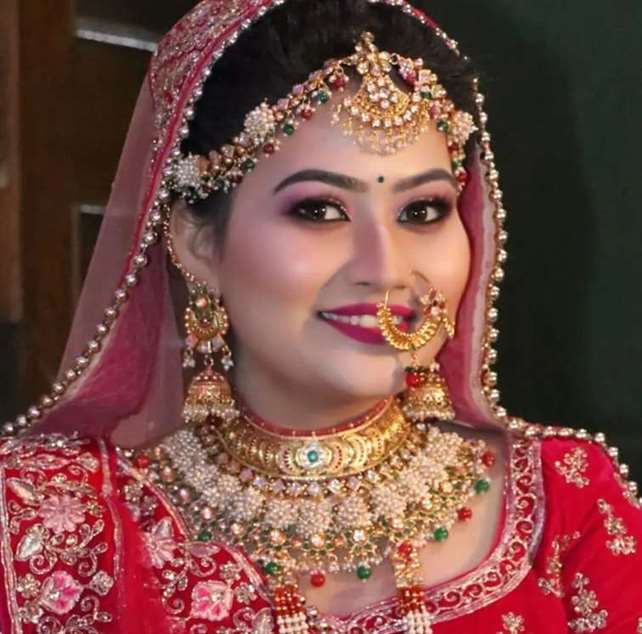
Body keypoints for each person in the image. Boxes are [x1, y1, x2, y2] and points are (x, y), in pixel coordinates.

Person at [1, 1, 640, 632]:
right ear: (197, 244)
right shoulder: (56, 528)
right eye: (320, 211)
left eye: (422, 211)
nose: (385, 268)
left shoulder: (564, 505)